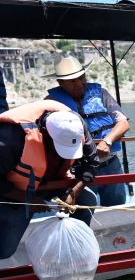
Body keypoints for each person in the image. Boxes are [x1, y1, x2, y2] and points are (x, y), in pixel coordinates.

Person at [0, 100, 101, 259]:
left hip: (54, 182)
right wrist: (27, 199)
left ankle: (72, 252)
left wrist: (73, 193)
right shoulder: (10, 138)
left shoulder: (76, 125)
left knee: (87, 198)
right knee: (5, 249)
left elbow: (91, 163)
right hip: (14, 192)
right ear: (45, 133)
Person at [44, 57, 130, 206]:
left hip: (110, 164)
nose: (79, 83)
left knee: (117, 207)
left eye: (81, 77)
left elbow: (123, 123)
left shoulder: (101, 94)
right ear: (60, 83)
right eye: (72, 81)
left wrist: (107, 141)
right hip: (76, 170)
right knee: (85, 210)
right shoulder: (51, 102)